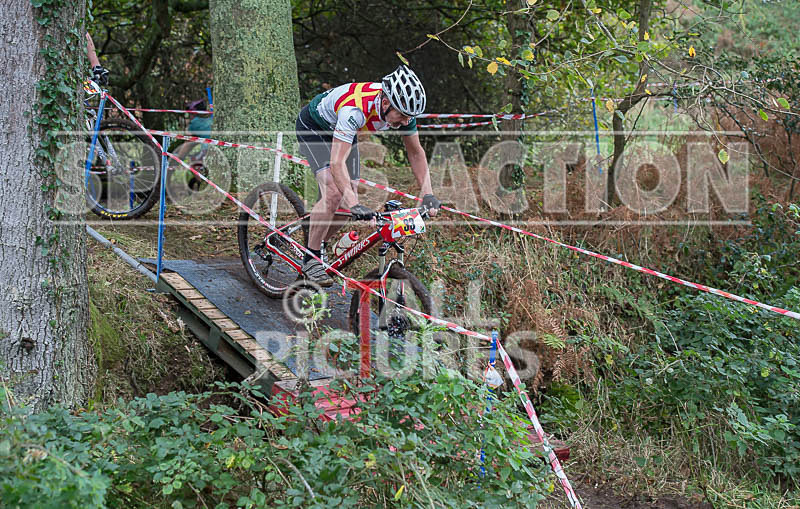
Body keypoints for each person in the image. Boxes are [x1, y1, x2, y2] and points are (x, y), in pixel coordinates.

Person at [295, 65, 441, 286]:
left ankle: (317, 242)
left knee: (345, 207)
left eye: (408, 118)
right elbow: (336, 163)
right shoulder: (354, 110)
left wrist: (428, 194)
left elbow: (416, 151)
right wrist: (354, 203)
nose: (404, 122)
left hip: (344, 132)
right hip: (314, 125)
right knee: (336, 194)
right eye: (401, 116)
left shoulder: (401, 110)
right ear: (385, 103)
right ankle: (311, 258)